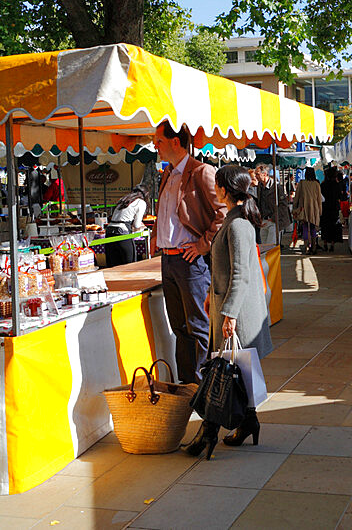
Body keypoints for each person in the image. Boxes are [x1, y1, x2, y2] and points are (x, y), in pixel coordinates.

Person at [184, 165, 273, 460]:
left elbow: (240, 274)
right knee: (238, 372)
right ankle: (249, 421)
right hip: (229, 306)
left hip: (238, 312)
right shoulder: (235, 220)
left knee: (223, 373)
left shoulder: (237, 225)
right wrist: (213, 296)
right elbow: (227, 269)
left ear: (224, 188)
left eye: (217, 185)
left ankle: (207, 433)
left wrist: (230, 313)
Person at [153, 122, 227, 384]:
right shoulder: (168, 173)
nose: (155, 146)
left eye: (159, 141)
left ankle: (203, 385)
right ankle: (188, 387)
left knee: (196, 326)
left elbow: (224, 211)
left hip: (190, 261)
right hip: (168, 259)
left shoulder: (201, 171)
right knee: (179, 328)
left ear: (175, 142)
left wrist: (202, 245)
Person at [104, 185, 148, 267]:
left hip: (109, 232)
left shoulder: (124, 200)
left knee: (112, 267)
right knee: (130, 266)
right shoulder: (141, 202)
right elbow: (137, 224)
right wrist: (143, 228)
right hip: (122, 233)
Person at [255, 164, 289, 246]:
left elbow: (283, 205)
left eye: (257, 174)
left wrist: (274, 218)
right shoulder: (259, 186)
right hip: (264, 220)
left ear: (265, 174)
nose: (256, 176)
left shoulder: (276, 187)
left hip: (273, 221)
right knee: (264, 247)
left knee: (271, 247)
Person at [292, 167, 322, 254]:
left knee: (305, 227)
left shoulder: (302, 183)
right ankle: (313, 246)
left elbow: (296, 197)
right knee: (313, 228)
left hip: (303, 208)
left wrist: (294, 208)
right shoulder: (316, 184)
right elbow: (319, 199)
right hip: (314, 209)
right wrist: (320, 211)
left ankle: (306, 247)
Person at [320, 166, 343, 251]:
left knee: (325, 226)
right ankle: (332, 245)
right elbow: (340, 196)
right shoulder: (336, 185)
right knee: (333, 226)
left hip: (325, 208)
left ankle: (325, 243)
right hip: (334, 208)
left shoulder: (323, 185)